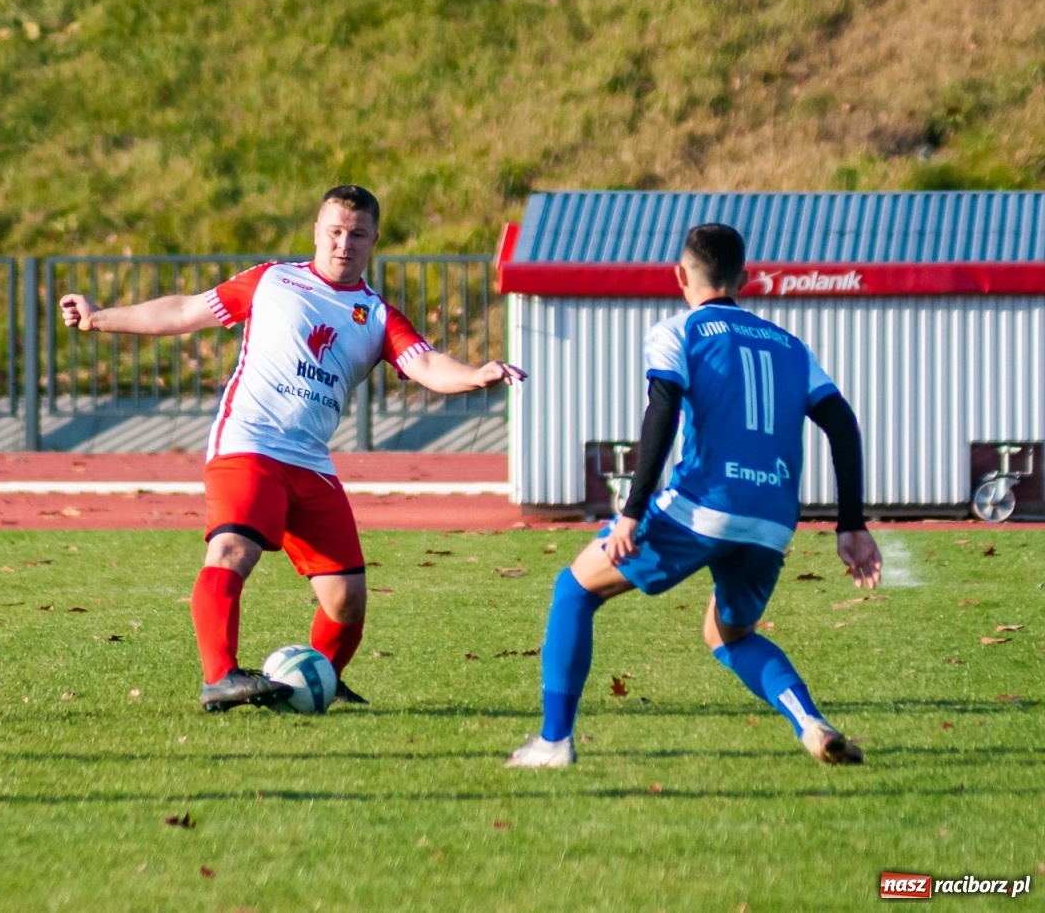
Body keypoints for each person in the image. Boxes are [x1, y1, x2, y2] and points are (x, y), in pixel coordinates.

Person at [60, 186, 527, 712]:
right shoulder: (272, 280)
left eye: (357, 234)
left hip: (309, 461)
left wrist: (475, 375)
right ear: (317, 231)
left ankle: (323, 679)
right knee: (233, 550)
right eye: (334, 231)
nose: (343, 244)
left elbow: (424, 363)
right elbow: (186, 310)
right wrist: (100, 317)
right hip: (249, 444)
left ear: (374, 241)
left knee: (347, 599)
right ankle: (219, 677)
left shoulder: (376, 317)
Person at [508, 223, 881, 768]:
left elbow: (661, 411)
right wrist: (852, 524)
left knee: (573, 591)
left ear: (680, 274)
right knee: (728, 635)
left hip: (702, 505)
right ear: (746, 280)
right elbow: (842, 424)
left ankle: (553, 743)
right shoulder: (792, 347)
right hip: (773, 519)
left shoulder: (678, 331)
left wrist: (632, 512)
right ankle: (811, 723)